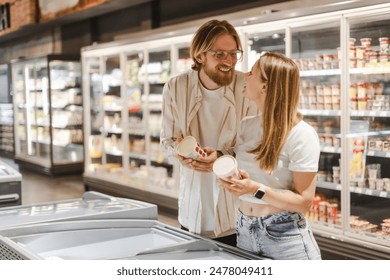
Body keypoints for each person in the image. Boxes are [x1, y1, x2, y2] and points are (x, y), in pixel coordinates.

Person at [160, 19, 257, 246]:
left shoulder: (246, 85)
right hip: (192, 205)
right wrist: (180, 153)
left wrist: (223, 156)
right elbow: (167, 141)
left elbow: (256, 145)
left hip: (239, 211)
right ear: (200, 55)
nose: (229, 61)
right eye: (220, 54)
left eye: (234, 54)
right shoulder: (176, 87)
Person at [217, 52, 322, 259]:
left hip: (285, 238)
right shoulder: (247, 125)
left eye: (252, 72)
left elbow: (303, 202)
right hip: (244, 231)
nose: (245, 75)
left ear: (264, 86)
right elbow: (250, 176)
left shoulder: (302, 134)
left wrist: (256, 189)